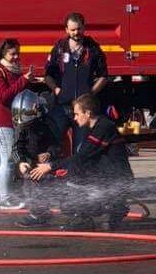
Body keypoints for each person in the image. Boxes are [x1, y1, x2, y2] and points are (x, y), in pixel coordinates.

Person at [30, 93, 133, 231]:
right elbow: (84, 159)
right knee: (70, 179)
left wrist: (50, 166)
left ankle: (105, 210)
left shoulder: (103, 127)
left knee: (68, 200)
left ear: (88, 113)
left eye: (77, 114)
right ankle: (110, 208)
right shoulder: (96, 127)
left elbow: (82, 157)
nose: (75, 118)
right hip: (108, 177)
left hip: (115, 181)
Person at [44, 12, 109, 151]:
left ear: (84, 28)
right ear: (66, 30)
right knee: (53, 147)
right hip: (62, 107)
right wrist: (56, 89)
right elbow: (48, 75)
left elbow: (104, 76)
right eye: (72, 30)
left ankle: (79, 166)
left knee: (81, 149)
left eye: (79, 29)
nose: (76, 32)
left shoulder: (93, 48)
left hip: (83, 110)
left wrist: (90, 93)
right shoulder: (59, 48)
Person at [0, 38, 33, 208]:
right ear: (3, 54)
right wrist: (24, 80)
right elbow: (3, 96)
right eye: (12, 54)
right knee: (9, 160)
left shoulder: (14, 72)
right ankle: (5, 197)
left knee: (10, 159)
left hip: (10, 122)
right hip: (1, 121)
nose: (16, 57)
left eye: (18, 53)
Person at [9, 90, 62, 227]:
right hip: (29, 161)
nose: (24, 125)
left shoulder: (47, 123)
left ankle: (42, 214)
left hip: (47, 164)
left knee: (44, 187)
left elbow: (57, 144)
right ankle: (39, 214)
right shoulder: (21, 125)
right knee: (30, 187)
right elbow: (16, 147)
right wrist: (21, 162)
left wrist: (49, 153)